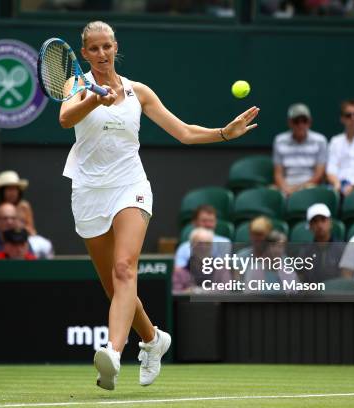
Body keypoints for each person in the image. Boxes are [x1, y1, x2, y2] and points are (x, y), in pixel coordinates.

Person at [59, 21, 259, 390]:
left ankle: (113, 354)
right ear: (84, 53)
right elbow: (65, 118)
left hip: (130, 186)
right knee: (113, 286)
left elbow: (182, 132)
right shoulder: (77, 85)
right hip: (88, 192)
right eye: (94, 49)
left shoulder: (140, 92)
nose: (102, 54)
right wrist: (93, 100)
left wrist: (222, 133)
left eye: (108, 46)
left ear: (116, 47)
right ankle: (153, 340)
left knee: (124, 269)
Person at [273, 103, 327, 196]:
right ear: (289, 122)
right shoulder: (279, 141)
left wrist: (298, 189)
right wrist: (286, 188)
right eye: (296, 121)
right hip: (286, 186)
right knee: (271, 192)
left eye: (304, 121)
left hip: (310, 186)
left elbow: (319, 174)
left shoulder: (320, 140)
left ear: (309, 122)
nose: (301, 125)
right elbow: (278, 174)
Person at [174, 205, 231, 276]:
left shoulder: (224, 243)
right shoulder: (184, 248)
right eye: (204, 221)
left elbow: (223, 271)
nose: (208, 224)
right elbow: (179, 272)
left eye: (211, 221)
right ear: (194, 222)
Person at [297, 203, 345, 283]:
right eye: (315, 221)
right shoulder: (305, 251)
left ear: (330, 222)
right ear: (310, 226)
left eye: (323, 219)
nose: (319, 225)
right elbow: (300, 278)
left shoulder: (343, 249)